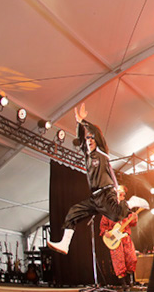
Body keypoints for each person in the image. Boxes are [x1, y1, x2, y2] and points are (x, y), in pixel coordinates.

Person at [48, 103, 128, 255]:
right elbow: (80, 138)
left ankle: (131, 202)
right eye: (88, 138)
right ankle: (65, 244)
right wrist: (78, 125)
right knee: (73, 212)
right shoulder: (87, 155)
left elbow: (97, 133)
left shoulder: (102, 151)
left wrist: (83, 121)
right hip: (95, 198)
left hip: (106, 193)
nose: (89, 140)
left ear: (97, 140)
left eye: (92, 138)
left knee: (116, 216)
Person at [99, 185, 140, 290]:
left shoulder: (127, 209)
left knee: (132, 258)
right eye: (120, 193)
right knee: (118, 260)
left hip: (125, 237)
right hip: (115, 239)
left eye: (123, 194)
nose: (122, 195)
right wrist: (106, 232)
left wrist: (134, 218)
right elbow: (103, 225)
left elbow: (132, 223)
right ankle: (124, 283)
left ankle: (130, 280)